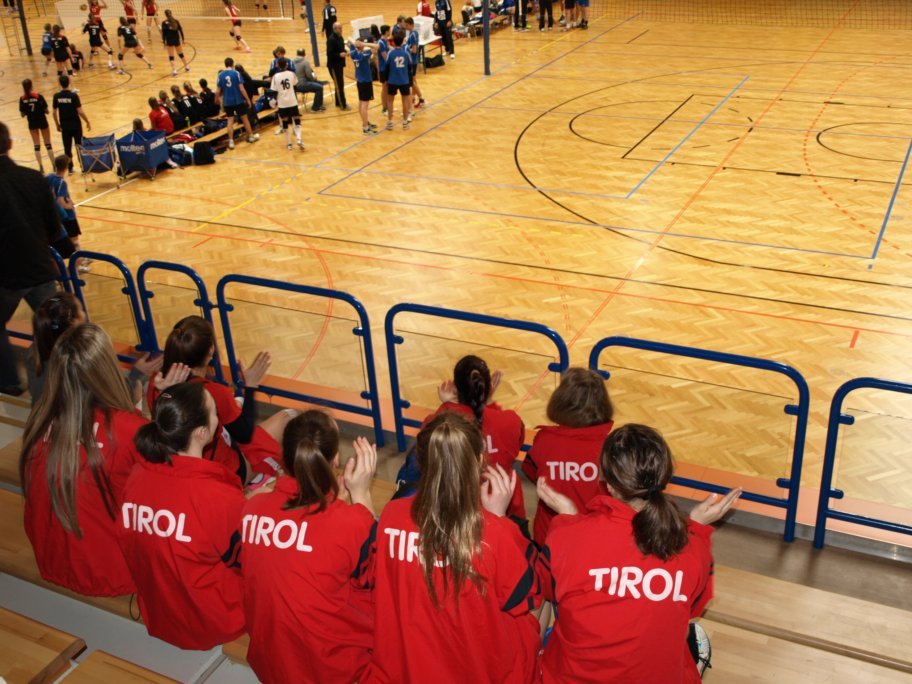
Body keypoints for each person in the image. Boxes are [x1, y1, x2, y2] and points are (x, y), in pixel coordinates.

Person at [536, 424, 742, 682]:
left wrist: (568, 519)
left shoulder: (566, 536)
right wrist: (697, 528)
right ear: (663, 478)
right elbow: (691, 610)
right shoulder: (692, 547)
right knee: (680, 630)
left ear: (608, 483)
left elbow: (546, 590)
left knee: (553, 606)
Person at [360, 412, 541, 683]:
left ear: (422, 462)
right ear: (479, 461)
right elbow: (527, 598)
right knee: (539, 598)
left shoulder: (391, 515)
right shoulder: (498, 533)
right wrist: (500, 518)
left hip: (407, 664)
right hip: (480, 669)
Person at [241, 412, 376, 684]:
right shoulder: (351, 524)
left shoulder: (252, 508)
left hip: (270, 663)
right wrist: (361, 494)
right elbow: (381, 576)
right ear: (335, 459)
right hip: (330, 671)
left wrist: (338, 504)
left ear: (285, 457)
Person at [20, 323, 148, 596]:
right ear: (107, 369)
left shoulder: (39, 421)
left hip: (52, 561)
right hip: (110, 575)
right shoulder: (130, 431)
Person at [117, 382, 247, 650]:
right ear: (202, 432)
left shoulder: (137, 476)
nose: (218, 417)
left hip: (161, 613)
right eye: (214, 412)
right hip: (212, 621)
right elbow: (247, 563)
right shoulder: (216, 495)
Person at [149, 315, 289, 483]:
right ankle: (260, 478)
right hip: (226, 471)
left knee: (236, 403)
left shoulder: (157, 383)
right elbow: (244, 435)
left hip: (180, 464)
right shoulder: (212, 392)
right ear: (211, 350)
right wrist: (251, 386)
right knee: (288, 416)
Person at [0, 122, 64, 397]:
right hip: (40, 267)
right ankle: (68, 382)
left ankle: (10, 382)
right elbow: (54, 227)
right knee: (57, 329)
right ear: (9, 143)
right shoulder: (34, 178)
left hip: (5, 277)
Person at [521, 367, 613, 545]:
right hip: (593, 537)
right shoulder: (610, 447)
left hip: (549, 534)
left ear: (560, 402)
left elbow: (533, 474)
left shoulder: (544, 439)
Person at [432, 355, 525, 519]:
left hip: (456, 505)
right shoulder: (511, 421)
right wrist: (489, 401)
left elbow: (430, 440)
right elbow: (514, 442)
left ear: (456, 389)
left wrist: (448, 404)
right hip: (506, 507)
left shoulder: (441, 422)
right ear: (487, 386)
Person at [47, 155, 89, 273]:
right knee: (74, 241)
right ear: (66, 167)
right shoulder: (62, 182)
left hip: (58, 216)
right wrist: (69, 206)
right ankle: (78, 264)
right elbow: (60, 200)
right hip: (68, 216)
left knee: (71, 240)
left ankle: (80, 259)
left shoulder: (49, 177)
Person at [216, 57, 260, 149]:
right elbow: (242, 89)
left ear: (225, 65)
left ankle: (231, 142)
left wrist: (217, 99)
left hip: (227, 102)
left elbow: (218, 91)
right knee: (245, 119)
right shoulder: (236, 73)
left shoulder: (220, 75)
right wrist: (248, 99)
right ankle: (251, 136)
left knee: (230, 121)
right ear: (232, 64)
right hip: (238, 100)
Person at [52, 75, 90, 173]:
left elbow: (54, 113)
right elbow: (80, 111)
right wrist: (87, 121)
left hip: (65, 125)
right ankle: (83, 167)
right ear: (69, 83)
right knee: (79, 146)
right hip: (75, 125)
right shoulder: (73, 96)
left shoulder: (56, 96)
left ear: (60, 84)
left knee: (67, 147)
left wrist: (57, 125)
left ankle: (70, 168)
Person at [19, 79, 55, 174]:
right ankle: (54, 165)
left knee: (36, 145)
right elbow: (47, 111)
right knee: (48, 144)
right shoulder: (38, 96)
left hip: (32, 122)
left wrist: (28, 111)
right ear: (31, 86)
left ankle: (41, 167)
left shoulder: (22, 99)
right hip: (42, 121)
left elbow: (22, 114)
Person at [269, 57, 305, 151]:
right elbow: (295, 84)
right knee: (296, 120)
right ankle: (299, 139)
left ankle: (289, 143)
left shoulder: (275, 76)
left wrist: (273, 101)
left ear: (277, 65)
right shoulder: (291, 74)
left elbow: (273, 90)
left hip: (282, 103)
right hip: (292, 101)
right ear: (287, 65)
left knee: (284, 123)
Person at [349, 41, 378, 135]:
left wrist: (355, 43)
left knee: (361, 102)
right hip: (366, 82)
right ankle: (365, 128)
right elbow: (376, 46)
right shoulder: (364, 54)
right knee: (364, 105)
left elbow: (349, 41)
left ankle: (365, 123)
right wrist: (364, 44)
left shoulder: (353, 53)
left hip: (360, 81)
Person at [385, 32, 411, 130]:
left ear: (394, 42)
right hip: (404, 80)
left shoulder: (390, 53)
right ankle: (405, 122)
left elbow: (387, 66)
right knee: (405, 101)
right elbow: (410, 66)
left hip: (392, 80)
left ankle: (390, 122)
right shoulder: (406, 53)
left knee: (390, 101)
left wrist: (386, 80)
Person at [403, 18, 425, 110]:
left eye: (407, 25)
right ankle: (413, 98)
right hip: (413, 60)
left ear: (411, 24)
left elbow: (414, 50)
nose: (405, 27)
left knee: (412, 81)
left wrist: (405, 48)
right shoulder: (413, 33)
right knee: (413, 81)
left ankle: (421, 98)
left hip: (412, 61)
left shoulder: (412, 35)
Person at [326, 22, 348, 110]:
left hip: (339, 65)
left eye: (341, 28)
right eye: (340, 28)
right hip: (333, 66)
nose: (341, 30)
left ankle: (338, 103)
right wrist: (339, 55)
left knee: (339, 84)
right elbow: (329, 54)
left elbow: (341, 49)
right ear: (335, 29)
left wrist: (345, 52)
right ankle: (343, 105)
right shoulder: (331, 39)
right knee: (339, 84)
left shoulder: (340, 37)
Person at [160, 9, 189, 76]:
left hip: (169, 40)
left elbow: (164, 34)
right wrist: (183, 39)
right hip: (176, 40)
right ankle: (187, 66)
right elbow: (181, 30)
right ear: (171, 13)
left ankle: (174, 71)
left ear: (165, 15)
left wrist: (164, 42)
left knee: (171, 56)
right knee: (181, 54)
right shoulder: (176, 21)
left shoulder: (164, 22)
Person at [376, 25, 391, 116]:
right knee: (384, 88)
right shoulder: (381, 42)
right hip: (383, 68)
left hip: (387, 68)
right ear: (386, 32)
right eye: (389, 30)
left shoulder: (386, 40)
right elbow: (385, 56)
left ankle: (388, 106)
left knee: (388, 87)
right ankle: (384, 108)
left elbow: (390, 48)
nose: (390, 32)